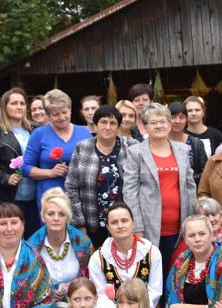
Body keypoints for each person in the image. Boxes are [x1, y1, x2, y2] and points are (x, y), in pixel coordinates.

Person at [123, 103, 197, 279]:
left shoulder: (182, 150)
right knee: (152, 274)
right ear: (145, 127)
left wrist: (192, 220)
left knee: (176, 273)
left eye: (163, 121)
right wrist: (137, 226)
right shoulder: (135, 152)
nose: (159, 126)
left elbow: (190, 185)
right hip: (149, 227)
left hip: (179, 227)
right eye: (153, 122)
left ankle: (172, 306)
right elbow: (130, 191)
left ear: (170, 124)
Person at [65, 105, 137, 248]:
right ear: (96, 125)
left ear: (118, 127)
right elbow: (71, 187)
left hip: (122, 225)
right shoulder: (82, 148)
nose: (108, 127)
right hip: (90, 224)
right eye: (103, 122)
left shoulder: (131, 146)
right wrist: (79, 223)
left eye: (113, 123)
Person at [0, 88, 40, 235]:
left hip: (35, 195)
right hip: (10, 196)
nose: (19, 107)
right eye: (14, 103)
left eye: (22, 103)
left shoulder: (34, 129)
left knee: (35, 237)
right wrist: (5, 178)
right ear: (5, 106)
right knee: (14, 237)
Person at [23, 88, 91, 213]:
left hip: (81, 194)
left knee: (80, 232)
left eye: (65, 112)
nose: (62, 117)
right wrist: (50, 172)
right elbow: (26, 168)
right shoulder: (39, 134)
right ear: (48, 115)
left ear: (70, 110)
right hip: (51, 195)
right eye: (55, 114)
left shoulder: (84, 132)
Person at [88, 203, 163, 308]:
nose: (120, 226)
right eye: (114, 222)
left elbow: (155, 291)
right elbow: (99, 295)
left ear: (133, 223)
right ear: (108, 228)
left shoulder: (151, 252)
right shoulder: (98, 258)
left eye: (124, 221)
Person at [27, 189, 93, 308]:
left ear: (68, 218)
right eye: (50, 214)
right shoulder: (31, 246)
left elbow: (91, 278)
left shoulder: (83, 243)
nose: (56, 218)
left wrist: (72, 286)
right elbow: (27, 283)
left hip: (79, 302)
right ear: (42, 217)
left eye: (61, 214)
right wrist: (49, 291)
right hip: (43, 304)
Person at [170, 197, 222, 266]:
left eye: (214, 214)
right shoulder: (188, 241)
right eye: (205, 216)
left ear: (221, 216)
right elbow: (176, 271)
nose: (211, 219)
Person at [167, 101, 209, 186]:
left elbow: (205, 172)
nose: (177, 121)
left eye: (181, 117)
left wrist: (184, 181)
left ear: (186, 119)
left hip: (192, 192)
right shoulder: (160, 142)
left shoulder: (196, 143)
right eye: (173, 117)